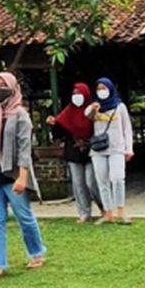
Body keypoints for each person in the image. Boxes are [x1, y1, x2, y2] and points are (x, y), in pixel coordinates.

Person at [0, 72, 47, 279]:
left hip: (12, 176)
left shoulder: (20, 115)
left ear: (12, 88)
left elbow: (24, 149)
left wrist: (23, 177)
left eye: (2, 85)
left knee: (24, 217)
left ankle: (36, 253)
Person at [46, 82, 103, 224]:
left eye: (79, 93)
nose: (76, 96)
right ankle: (84, 213)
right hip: (73, 151)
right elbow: (60, 130)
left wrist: (87, 142)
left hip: (91, 151)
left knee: (91, 182)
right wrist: (53, 124)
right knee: (78, 184)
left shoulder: (92, 111)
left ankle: (104, 207)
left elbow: (99, 129)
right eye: (74, 93)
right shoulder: (68, 111)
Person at [85, 77, 134, 224]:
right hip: (98, 149)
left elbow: (127, 129)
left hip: (117, 148)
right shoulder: (94, 106)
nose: (101, 91)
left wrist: (129, 148)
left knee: (117, 178)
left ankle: (121, 211)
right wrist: (94, 109)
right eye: (99, 89)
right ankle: (107, 212)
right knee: (102, 181)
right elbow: (87, 116)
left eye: (104, 88)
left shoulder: (120, 107)